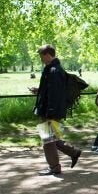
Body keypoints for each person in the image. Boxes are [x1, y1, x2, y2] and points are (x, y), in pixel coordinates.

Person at [29, 44, 82, 176]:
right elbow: (51, 90)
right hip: (51, 110)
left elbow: (56, 94)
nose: (41, 60)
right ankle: (73, 152)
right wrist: (39, 90)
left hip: (50, 111)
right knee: (52, 138)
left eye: (41, 57)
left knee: (48, 140)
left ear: (47, 55)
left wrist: (50, 113)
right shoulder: (53, 69)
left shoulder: (54, 71)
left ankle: (55, 167)